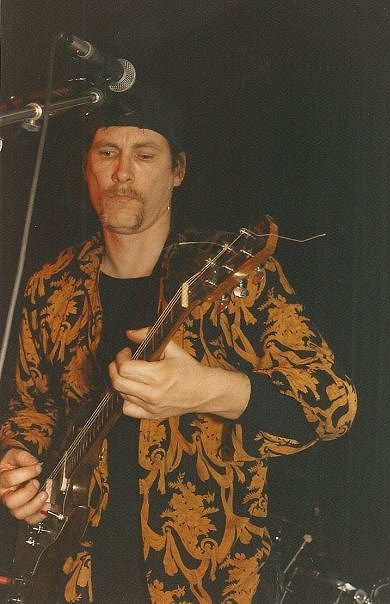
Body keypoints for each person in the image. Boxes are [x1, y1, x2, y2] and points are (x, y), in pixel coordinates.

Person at [0, 84, 357, 603]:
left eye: (144, 155)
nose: (122, 173)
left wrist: (208, 389)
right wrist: (18, 460)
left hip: (207, 580)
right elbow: (32, 407)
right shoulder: (51, 285)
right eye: (107, 152)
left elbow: (332, 405)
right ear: (87, 166)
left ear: (178, 171)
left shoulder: (233, 278)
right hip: (72, 576)